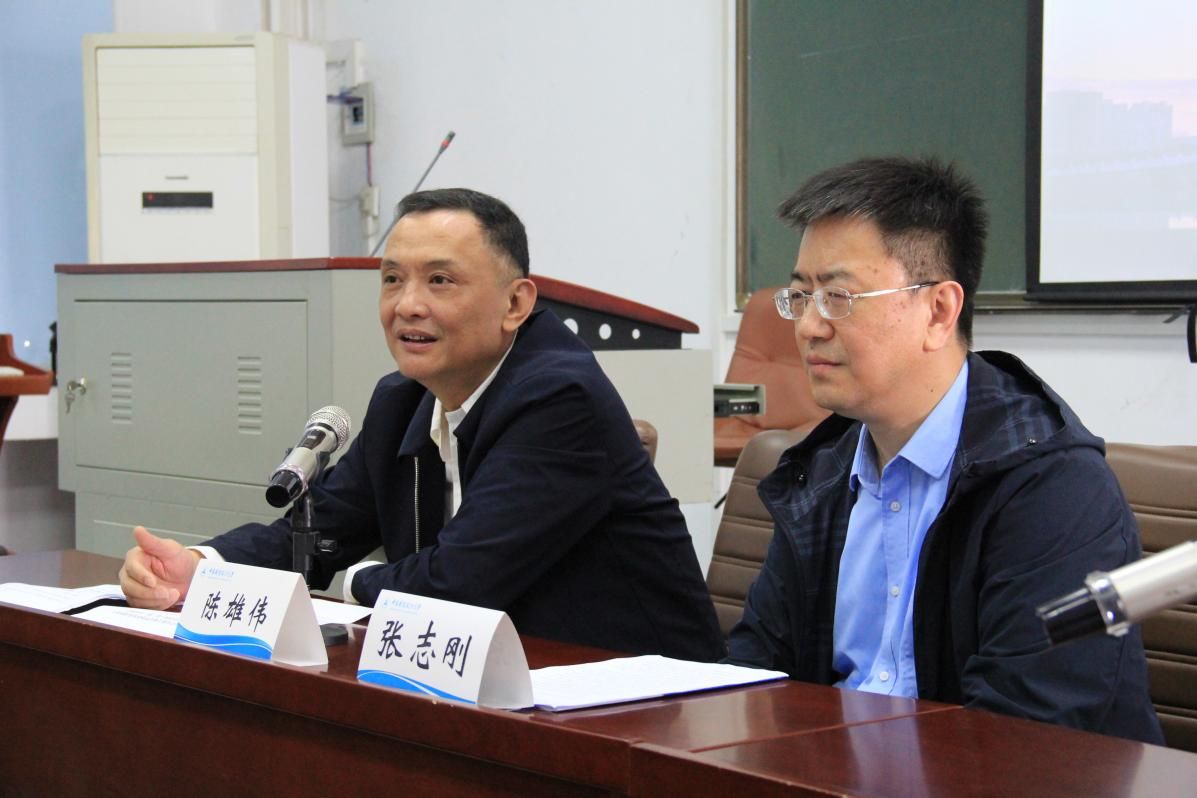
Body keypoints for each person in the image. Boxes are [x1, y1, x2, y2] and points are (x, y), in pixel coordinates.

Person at [120, 187, 724, 662]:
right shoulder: (402, 400)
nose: (407, 304)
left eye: (440, 280)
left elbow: (458, 583)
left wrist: (349, 583)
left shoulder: (560, 399)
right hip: (495, 685)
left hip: (646, 700)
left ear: (516, 303)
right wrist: (202, 567)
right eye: (392, 279)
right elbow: (318, 532)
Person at [724, 157, 1163, 742]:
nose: (808, 327)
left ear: (938, 311)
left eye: (839, 296)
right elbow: (755, 678)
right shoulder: (821, 474)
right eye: (801, 296)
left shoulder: (1052, 487)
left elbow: (1024, 735)